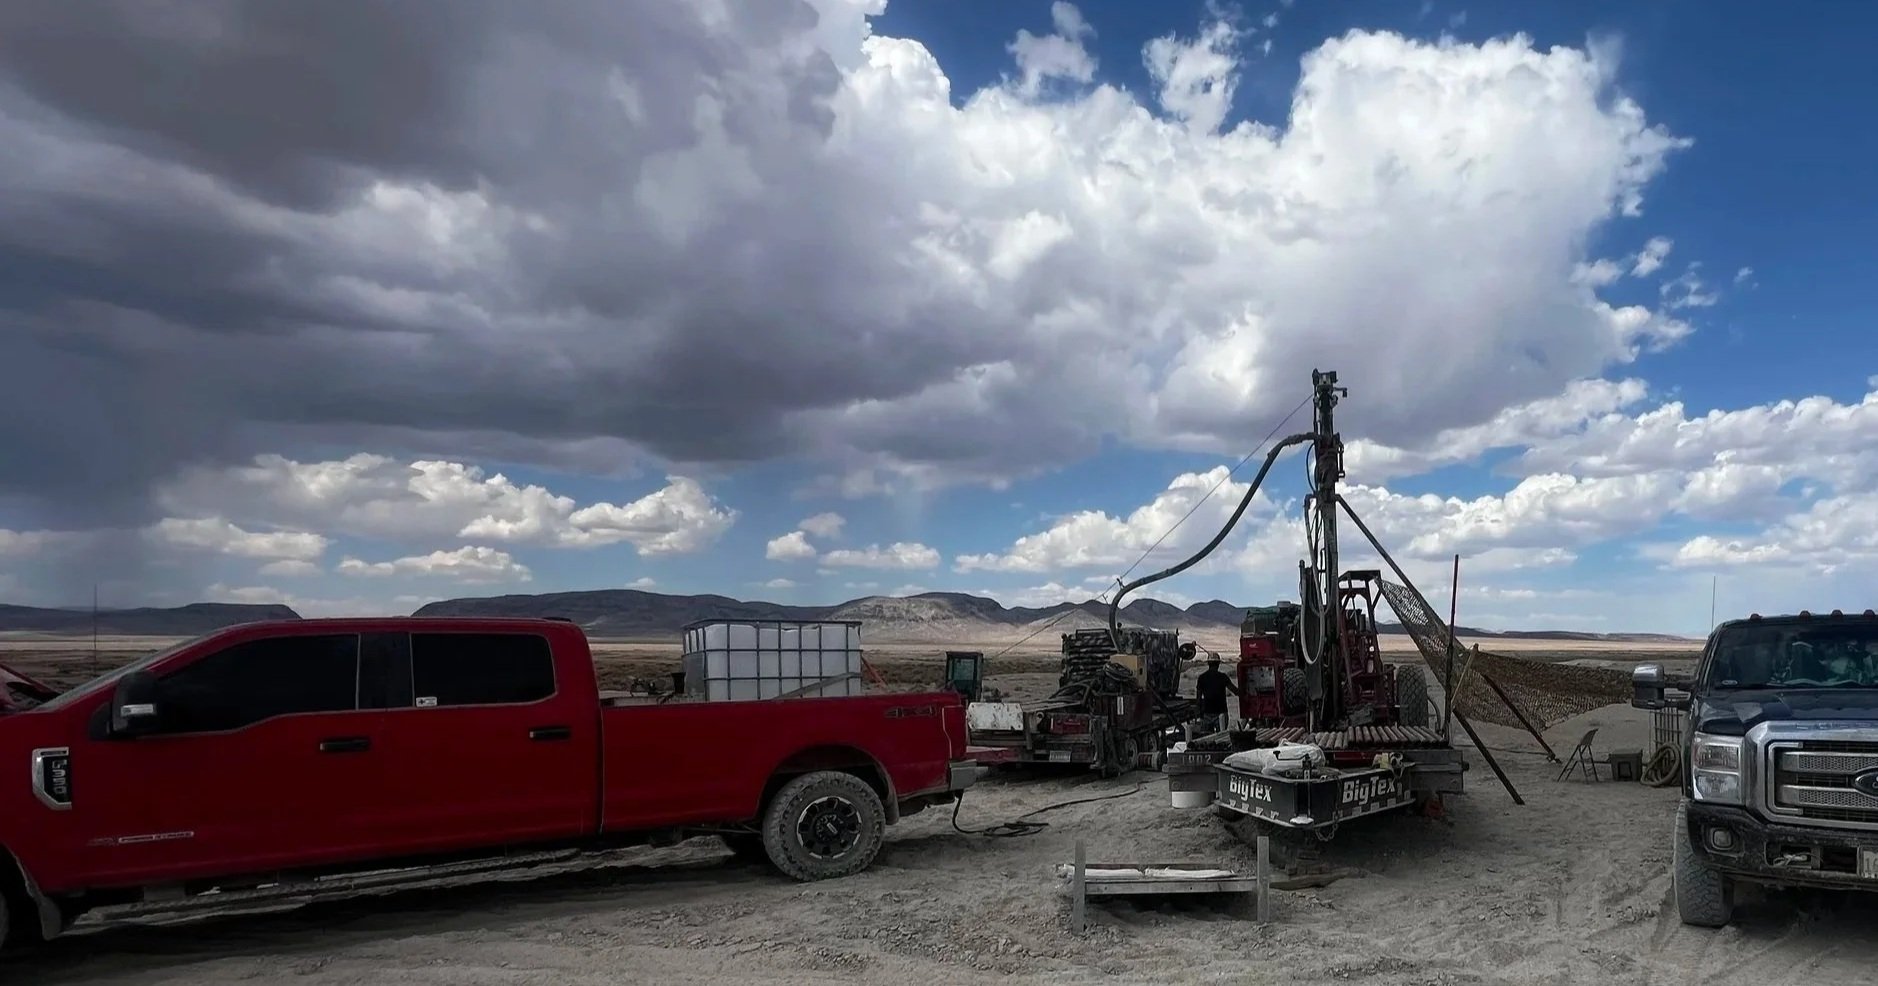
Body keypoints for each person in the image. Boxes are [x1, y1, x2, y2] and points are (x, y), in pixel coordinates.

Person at [1195, 656, 1241, 734]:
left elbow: (1198, 699)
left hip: (1207, 713)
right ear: (1218, 663)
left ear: (1208, 663)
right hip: (1221, 713)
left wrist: (1199, 713)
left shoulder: (1202, 678)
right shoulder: (1223, 677)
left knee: (1207, 738)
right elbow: (1235, 691)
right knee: (1222, 737)